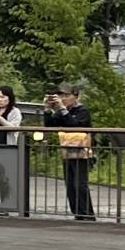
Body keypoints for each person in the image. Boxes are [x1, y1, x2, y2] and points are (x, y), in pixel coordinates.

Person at [45, 83, 96, 220]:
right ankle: (77, 213)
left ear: (76, 96)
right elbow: (49, 125)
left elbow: (75, 125)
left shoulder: (82, 111)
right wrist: (48, 109)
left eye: (67, 95)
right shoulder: (62, 112)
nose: (64, 98)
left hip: (82, 151)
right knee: (70, 184)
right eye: (61, 95)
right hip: (67, 151)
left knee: (80, 184)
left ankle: (87, 213)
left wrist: (62, 109)